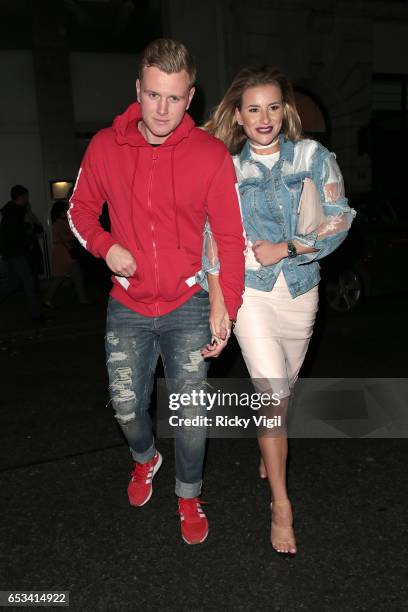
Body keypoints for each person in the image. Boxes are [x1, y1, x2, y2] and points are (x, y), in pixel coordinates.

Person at [68, 38, 245, 545]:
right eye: (152, 96)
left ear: (190, 97)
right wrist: (105, 246)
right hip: (127, 304)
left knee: (190, 415)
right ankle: (146, 459)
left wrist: (224, 307)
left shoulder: (210, 156)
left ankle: (188, 495)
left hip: (189, 304)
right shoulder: (105, 146)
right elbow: (78, 212)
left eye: (174, 98)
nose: (162, 109)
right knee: (127, 408)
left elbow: (229, 239)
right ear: (138, 91)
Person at [204, 65, 355, 554]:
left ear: (284, 110)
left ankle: (267, 447)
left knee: (282, 392)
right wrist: (218, 301)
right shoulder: (227, 169)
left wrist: (289, 247)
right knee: (271, 394)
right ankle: (281, 506)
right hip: (251, 292)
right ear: (239, 118)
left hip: (300, 288)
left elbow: (339, 220)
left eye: (272, 106)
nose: (264, 117)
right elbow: (210, 238)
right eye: (253, 109)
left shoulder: (313, 156)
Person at [0, 185, 43, 321]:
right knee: (28, 282)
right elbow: (19, 234)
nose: (27, 200)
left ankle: (35, 314)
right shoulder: (17, 213)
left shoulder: (10, 212)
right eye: (26, 197)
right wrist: (28, 234)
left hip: (11, 253)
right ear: (22, 197)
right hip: (17, 253)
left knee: (12, 284)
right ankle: (35, 315)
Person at [44, 201, 90, 308]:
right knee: (62, 277)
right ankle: (82, 299)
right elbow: (65, 237)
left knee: (67, 276)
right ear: (61, 212)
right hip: (64, 253)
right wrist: (74, 236)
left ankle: (81, 298)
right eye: (65, 210)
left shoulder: (58, 222)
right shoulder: (60, 223)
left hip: (63, 252)